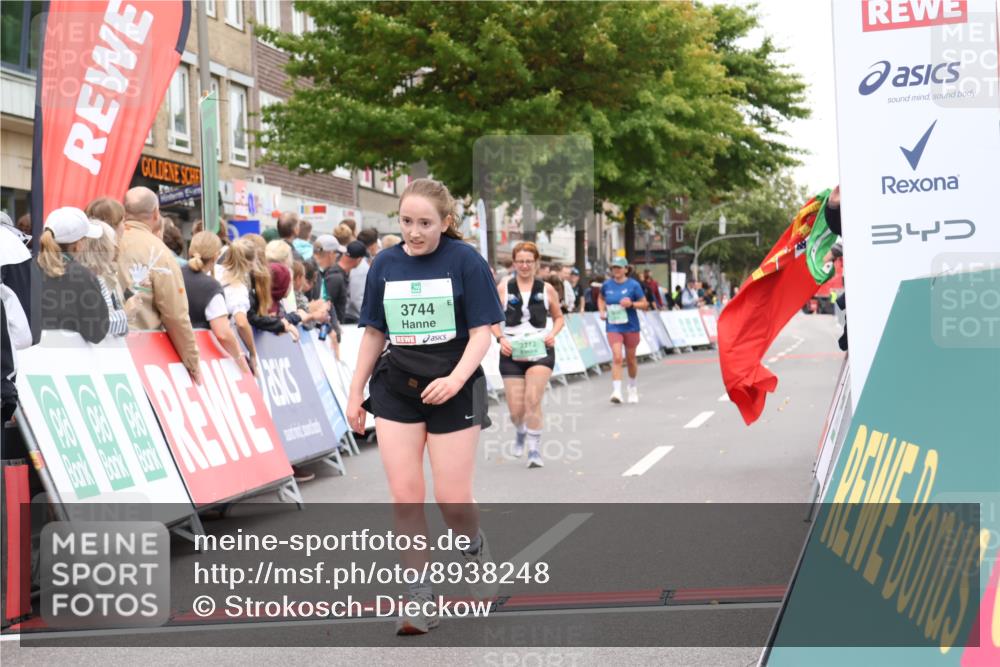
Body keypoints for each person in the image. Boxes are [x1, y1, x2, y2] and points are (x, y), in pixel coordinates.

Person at [347, 178, 503, 635]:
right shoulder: (385, 264)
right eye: (406, 221)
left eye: (424, 223)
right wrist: (356, 391)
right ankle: (420, 596)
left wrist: (455, 380)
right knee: (406, 494)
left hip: (455, 389)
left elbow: (481, 334)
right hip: (397, 388)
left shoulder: (465, 261)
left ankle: (472, 547)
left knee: (452, 499)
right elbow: (374, 333)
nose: (414, 232)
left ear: (446, 223)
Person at [492, 241, 564, 469]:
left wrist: (553, 333)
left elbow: (559, 317)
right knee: (516, 410)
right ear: (514, 263)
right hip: (511, 351)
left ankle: (534, 451)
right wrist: (500, 338)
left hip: (540, 350)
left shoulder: (546, 289)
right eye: (520, 261)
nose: (524, 266)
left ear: (536, 263)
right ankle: (521, 432)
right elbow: (491, 319)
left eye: (529, 262)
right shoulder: (503, 287)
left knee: (532, 400)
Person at [118, 187, 200, 383]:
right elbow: (175, 314)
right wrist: (192, 361)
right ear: (155, 213)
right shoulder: (160, 252)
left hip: (100, 347)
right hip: (142, 353)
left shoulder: (104, 242)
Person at [36, 207, 110, 343]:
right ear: (78, 245)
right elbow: (97, 332)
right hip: (68, 359)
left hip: (25, 359)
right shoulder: (82, 276)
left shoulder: (25, 269)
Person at [182, 232, 251, 376]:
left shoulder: (174, 274)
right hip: (202, 359)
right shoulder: (211, 287)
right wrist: (240, 359)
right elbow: (223, 333)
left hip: (172, 352)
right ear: (216, 256)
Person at [599, 257, 649, 404]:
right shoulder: (607, 285)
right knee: (617, 357)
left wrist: (631, 304)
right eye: (614, 267)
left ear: (626, 269)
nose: (616, 270)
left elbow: (645, 304)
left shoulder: (634, 285)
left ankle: (632, 387)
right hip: (613, 326)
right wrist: (602, 311)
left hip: (630, 326)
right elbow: (601, 299)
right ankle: (617, 391)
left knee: (631, 359)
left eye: (619, 267)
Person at [77, 219, 132, 337]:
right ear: (103, 248)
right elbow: (95, 326)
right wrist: (126, 314)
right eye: (113, 244)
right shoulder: (85, 280)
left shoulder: (97, 279)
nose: (116, 249)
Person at [219, 237, 261, 376]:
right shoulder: (238, 288)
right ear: (249, 263)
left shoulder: (214, 272)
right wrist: (253, 352)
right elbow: (241, 323)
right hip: (227, 346)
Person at [316, 239, 365, 325]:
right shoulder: (336, 277)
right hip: (329, 328)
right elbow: (324, 305)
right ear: (359, 260)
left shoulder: (339, 274)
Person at [346, 228, 379, 323]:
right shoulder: (361, 266)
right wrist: (370, 318)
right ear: (373, 245)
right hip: (356, 318)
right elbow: (357, 298)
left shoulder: (363, 262)